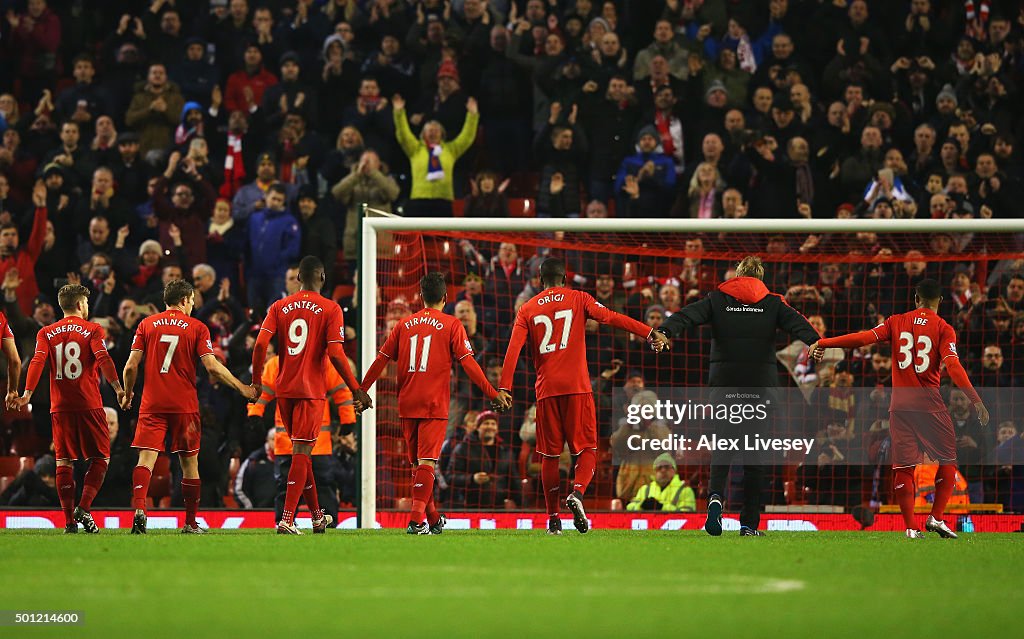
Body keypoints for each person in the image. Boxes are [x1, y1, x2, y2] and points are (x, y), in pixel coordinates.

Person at [499, 258, 670, 535]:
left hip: (546, 390)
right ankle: (577, 493)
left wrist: (504, 387)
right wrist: (648, 332)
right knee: (587, 449)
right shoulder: (578, 298)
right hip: (577, 387)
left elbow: (513, 349)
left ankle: (553, 519)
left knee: (550, 456)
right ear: (564, 278)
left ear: (540, 281)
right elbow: (612, 317)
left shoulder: (527, 309)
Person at [811, 278, 990, 539]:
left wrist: (824, 342)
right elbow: (953, 366)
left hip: (900, 406)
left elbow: (862, 339)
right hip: (928, 404)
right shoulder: (944, 328)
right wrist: (976, 400)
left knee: (903, 467)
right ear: (940, 301)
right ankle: (936, 518)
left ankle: (910, 527)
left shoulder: (896, 321)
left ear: (916, 299)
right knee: (949, 459)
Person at [657, 256, 820, 537]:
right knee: (756, 457)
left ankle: (716, 499)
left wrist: (664, 331)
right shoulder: (772, 302)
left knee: (724, 447)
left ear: (737, 276)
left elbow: (687, 315)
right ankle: (748, 524)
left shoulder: (717, 299)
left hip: (725, 387)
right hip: (761, 389)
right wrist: (815, 340)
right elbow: (798, 323)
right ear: (760, 278)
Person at [361, 272, 510, 534]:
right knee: (427, 464)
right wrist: (492, 393)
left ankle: (432, 519)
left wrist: (362, 390)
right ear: (445, 297)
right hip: (433, 404)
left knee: (418, 468)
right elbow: (469, 365)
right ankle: (416, 521)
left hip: (406, 402)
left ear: (420, 297)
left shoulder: (403, 324)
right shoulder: (452, 325)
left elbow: (381, 359)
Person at [121, 280, 255, 534]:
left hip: (152, 403)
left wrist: (127, 393)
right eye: (192, 301)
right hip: (184, 404)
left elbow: (130, 366)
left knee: (146, 458)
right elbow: (212, 367)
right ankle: (190, 522)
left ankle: (140, 509)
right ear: (184, 300)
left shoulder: (146, 324)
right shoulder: (196, 327)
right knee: (189, 463)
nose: (193, 305)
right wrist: (243, 388)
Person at [251, 255, 370, 534]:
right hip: (310, 391)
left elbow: (259, 345)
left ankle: (317, 516)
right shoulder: (331, 308)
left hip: (284, 391)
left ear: (299, 279)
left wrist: (257, 382)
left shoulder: (279, 306)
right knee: (302, 454)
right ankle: (288, 520)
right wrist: (357, 389)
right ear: (322, 277)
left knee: (300, 454)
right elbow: (337, 353)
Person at [9, 285, 124, 533]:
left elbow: (37, 361)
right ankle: (83, 507)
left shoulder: (46, 332)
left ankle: (69, 522)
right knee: (101, 457)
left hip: (59, 407)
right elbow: (104, 358)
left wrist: (26, 393)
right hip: (89, 403)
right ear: (81, 304)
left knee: (64, 461)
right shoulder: (93, 329)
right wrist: (118, 388)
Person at [626, 453, 696, 512]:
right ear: (654, 472)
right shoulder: (644, 489)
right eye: (659, 468)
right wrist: (641, 506)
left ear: (674, 471)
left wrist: (661, 507)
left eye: (667, 467)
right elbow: (629, 507)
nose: (663, 470)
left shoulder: (685, 491)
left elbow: (688, 514)